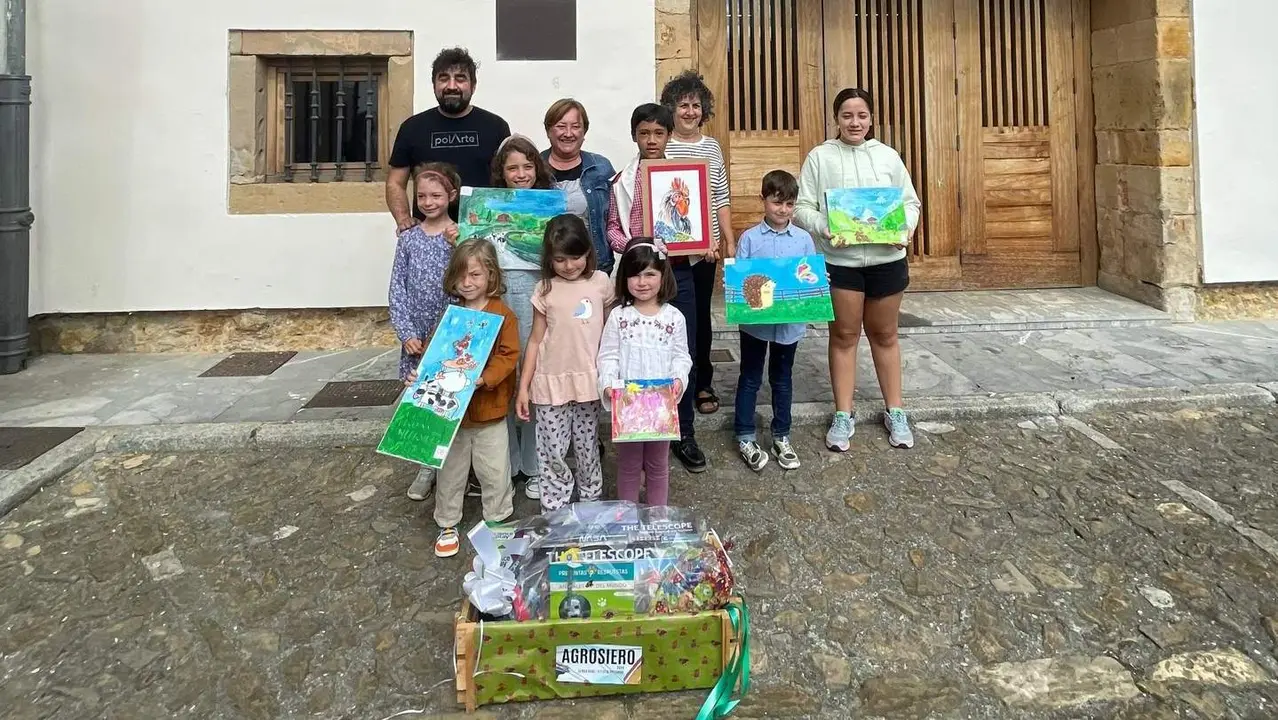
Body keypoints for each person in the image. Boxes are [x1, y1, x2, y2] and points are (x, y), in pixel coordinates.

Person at [793, 88, 921, 451]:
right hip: (841, 262)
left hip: (886, 261)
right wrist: (824, 228)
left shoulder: (887, 156)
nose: (855, 122)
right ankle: (842, 414)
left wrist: (903, 230)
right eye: (847, 115)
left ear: (871, 119)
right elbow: (803, 207)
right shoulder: (821, 157)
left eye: (862, 115)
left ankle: (895, 410)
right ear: (836, 118)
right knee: (844, 337)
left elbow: (910, 202)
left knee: (885, 336)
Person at [606, 103, 707, 473]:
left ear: (669, 135)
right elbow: (613, 228)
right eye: (644, 133)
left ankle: (684, 432)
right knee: (636, 349)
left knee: (682, 349)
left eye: (659, 133)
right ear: (635, 135)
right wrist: (636, 248)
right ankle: (638, 424)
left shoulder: (686, 176)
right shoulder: (621, 180)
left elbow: (699, 222)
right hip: (639, 276)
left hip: (678, 272)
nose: (651, 140)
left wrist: (702, 239)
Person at [425, 238, 520, 557]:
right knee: (450, 471)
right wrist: (422, 375)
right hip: (452, 414)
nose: (468, 282)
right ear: (453, 278)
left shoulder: (503, 314)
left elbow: (509, 355)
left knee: (494, 469)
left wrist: (485, 378)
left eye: (476, 275)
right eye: (462, 275)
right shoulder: (450, 316)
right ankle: (447, 520)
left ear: (491, 276)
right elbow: (435, 354)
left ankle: (497, 517)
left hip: (489, 409)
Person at [515, 215, 613, 512]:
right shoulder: (545, 289)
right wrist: (523, 387)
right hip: (549, 382)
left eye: (576, 257)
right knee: (552, 451)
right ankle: (554, 509)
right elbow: (534, 340)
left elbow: (610, 335)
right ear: (550, 258)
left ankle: (591, 501)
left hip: (589, 382)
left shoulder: (601, 283)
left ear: (587, 252)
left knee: (587, 447)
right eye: (560, 259)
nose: (569, 265)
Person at [660, 70, 734, 417]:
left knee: (702, 318)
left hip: (705, 251)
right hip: (670, 252)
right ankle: (673, 382)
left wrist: (727, 239)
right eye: (682, 105)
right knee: (670, 316)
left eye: (695, 105)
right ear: (670, 109)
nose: (689, 111)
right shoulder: (662, 144)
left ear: (704, 110)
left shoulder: (712, 146)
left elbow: (720, 195)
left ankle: (702, 381)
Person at [488, 134, 558, 501]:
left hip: (538, 300)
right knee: (504, 378)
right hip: (499, 301)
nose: (520, 174)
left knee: (534, 378)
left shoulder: (549, 205)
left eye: (527, 166)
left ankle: (533, 464)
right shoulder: (486, 205)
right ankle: (506, 463)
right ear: (501, 171)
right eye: (512, 167)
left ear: (537, 168)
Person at [597, 239, 691, 506]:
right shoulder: (619, 316)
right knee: (627, 464)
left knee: (658, 464)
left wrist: (678, 381)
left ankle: (657, 516)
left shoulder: (674, 318)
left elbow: (681, 356)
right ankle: (626, 515)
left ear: (663, 275)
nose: (642, 282)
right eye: (634, 274)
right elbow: (608, 355)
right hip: (628, 406)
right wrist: (608, 385)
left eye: (650, 274)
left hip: (661, 407)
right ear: (624, 278)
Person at [389, 162, 462, 502]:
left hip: (450, 333)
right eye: (422, 196)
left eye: (436, 195)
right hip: (417, 334)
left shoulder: (459, 236)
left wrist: (458, 246)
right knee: (423, 400)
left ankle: (459, 468)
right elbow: (397, 289)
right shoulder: (408, 240)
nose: (429, 202)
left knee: (451, 397)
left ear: (452, 195)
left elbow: (471, 283)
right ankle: (425, 467)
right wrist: (405, 332)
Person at [732, 170, 814, 471]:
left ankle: (782, 434)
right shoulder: (750, 239)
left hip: (789, 326)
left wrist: (817, 283)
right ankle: (744, 434)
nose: (782, 210)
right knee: (750, 377)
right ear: (763, 200)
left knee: (782, 378)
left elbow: (808, 276)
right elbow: (740, 282)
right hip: (755, 324)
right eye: (777, 202)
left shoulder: (804, 239)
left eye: (789, 204)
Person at [386, 47, 511, 229]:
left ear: (473, 86)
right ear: (434, 84)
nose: (451, 86)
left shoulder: (496, 127)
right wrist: (403, 219)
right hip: (429, 238)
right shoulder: (412, 128)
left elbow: (510, 181)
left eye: (460, 78)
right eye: (444, 78)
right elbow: (395, 182)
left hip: (482, 236)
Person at [541, 99, 617, 275]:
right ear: (548, 130)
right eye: (561, 126)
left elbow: (616, 217)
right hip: (549, 271)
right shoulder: (534, 168)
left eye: (575, 126)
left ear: (584, 131)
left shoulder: (601, 167)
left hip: (595, 268)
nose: (569, 133)